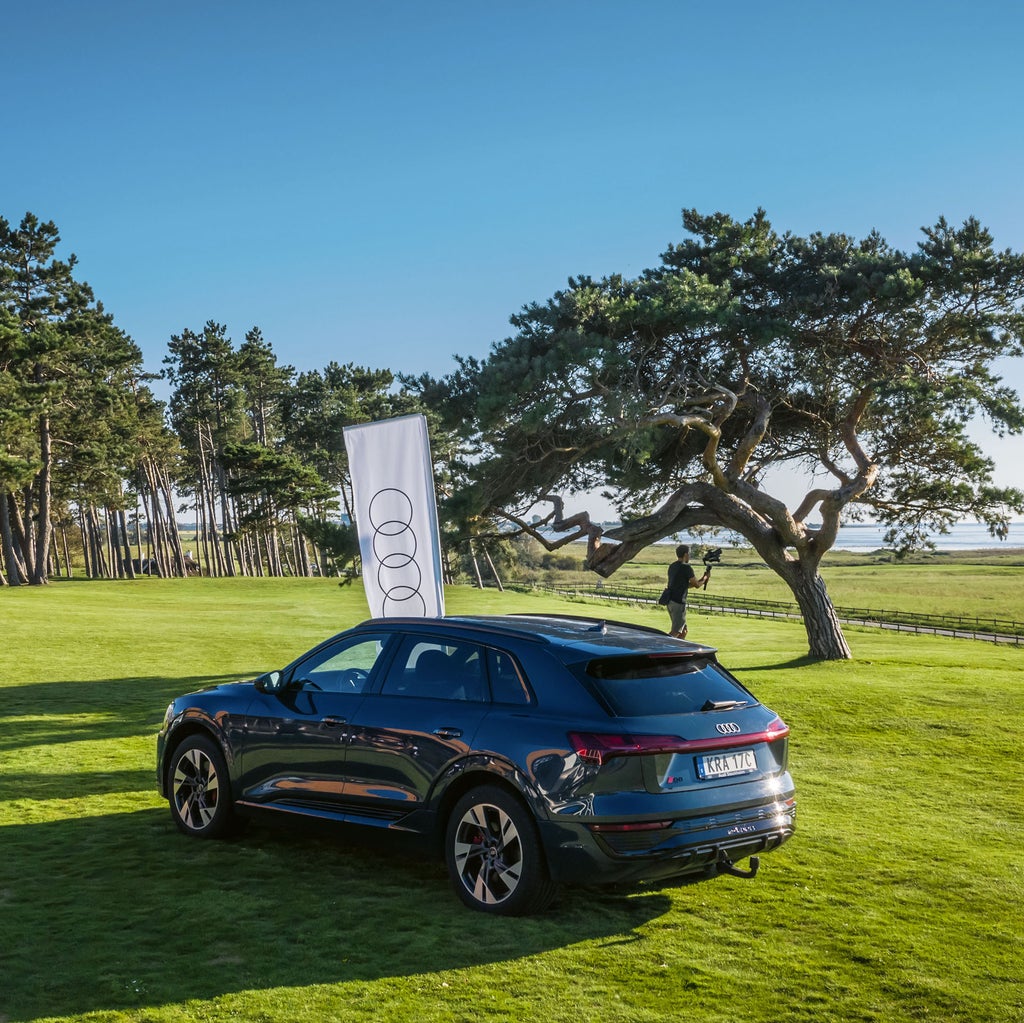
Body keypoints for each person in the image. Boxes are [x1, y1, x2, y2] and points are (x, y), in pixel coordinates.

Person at [665, 544, 709, 639]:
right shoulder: (686, 568)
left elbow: (683, 585)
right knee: (676, 632)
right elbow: (697, 585)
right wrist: (705, 578)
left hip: (670, 601)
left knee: (683, 631)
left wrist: (701, 579)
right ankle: (663, 646)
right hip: (678, 603)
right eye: (689, 554)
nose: (689, 556)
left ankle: (679, 651)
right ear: (685, 554)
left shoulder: (672, 566)